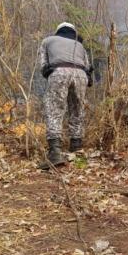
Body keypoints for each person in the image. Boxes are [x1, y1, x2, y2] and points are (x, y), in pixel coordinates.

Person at [37, 22, 93, 166]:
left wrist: (49, 73)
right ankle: (77, 148)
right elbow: (87, 67)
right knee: (77, 111)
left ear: (58, 31)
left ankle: (55, 152)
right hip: (80, 74)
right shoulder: (79, 45)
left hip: (59, 71)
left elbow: (43, 65)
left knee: (55, 110)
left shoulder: (47, 41)